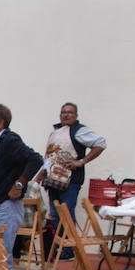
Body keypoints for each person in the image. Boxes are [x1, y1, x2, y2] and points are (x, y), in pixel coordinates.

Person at [30, 102, 106, 260]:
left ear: (76, 115)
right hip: (52, 180)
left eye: (70, 112)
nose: (66, 114)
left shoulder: (79, 131)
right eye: (63, 112)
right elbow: (50, 157)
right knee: (56, 215)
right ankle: (61, 246)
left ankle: (69, 248)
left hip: (70, 181)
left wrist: (82, 161)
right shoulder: (55, 131)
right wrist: (40, 174)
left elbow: (100, 144)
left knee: (67, 213)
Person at [0, 103, 42, 270]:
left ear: (0, 123)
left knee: (1, 257)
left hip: (6, 208)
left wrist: (19, 184)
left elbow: (35, 159)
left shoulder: (9, 140)